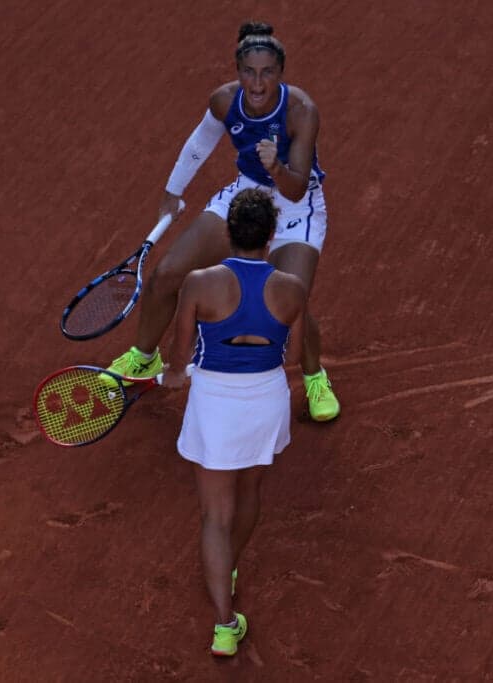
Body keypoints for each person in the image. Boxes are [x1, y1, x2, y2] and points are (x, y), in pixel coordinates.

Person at [108, 20, 340, 422]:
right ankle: (144, 358)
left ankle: (315, 377)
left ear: (280, 74)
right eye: (249, 72)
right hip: (246, 192)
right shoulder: (223, 102)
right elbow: (199, 143)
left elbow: (297, 188)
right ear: (238, 72)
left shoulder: (301, 111)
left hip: (296, 206)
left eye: (267, 72)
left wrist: (277, 166)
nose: (257, 82)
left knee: (291, 297)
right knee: (167, 273)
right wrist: (172, 192)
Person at [161, 188, 306, 657]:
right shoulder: (291, 288)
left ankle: (225, 625)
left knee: (213, 516)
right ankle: (231, 566)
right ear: (270, 237)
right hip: (266, 401)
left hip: (215, 404)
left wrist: (175, 375)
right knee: (250, 495)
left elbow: (180, 354)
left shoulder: (200, 283)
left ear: (228, 233)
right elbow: (296, 356)